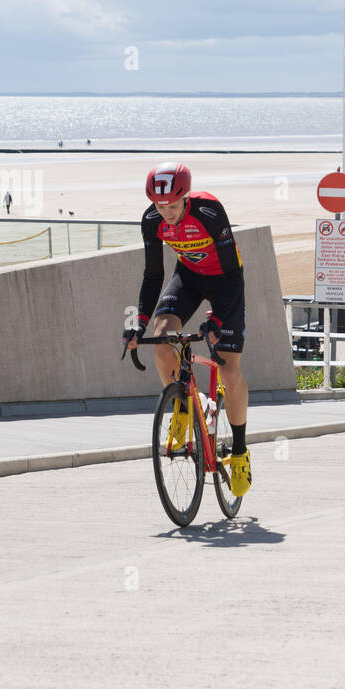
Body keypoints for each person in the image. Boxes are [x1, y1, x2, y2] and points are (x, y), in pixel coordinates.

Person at [122, 162, 252, 497]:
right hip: (189, 278)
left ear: (186, 197)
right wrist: (138, 322)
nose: (165, 213)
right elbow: (153, 277)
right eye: (159, 206)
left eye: (172, 206)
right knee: (163, 339)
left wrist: (218, 319)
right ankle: (181, 405)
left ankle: (239, 451)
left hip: (226, 280)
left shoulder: (209, 211)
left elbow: (229, 275)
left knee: (229, 367)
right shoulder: (152, 221)